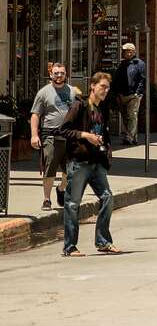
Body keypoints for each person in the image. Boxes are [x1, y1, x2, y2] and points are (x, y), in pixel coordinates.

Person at [59, 72, 120, 257]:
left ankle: (103, 242)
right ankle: (70, 247)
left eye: (107, 88)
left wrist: (106, 149)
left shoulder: (102, 110)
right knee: (72, 204)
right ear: (92, 86)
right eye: (102, 86)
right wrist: (85, 135)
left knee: (107, 198)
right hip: (80, 163)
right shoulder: (80, 105)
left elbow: (104, 133)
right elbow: (64, 130)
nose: (105, 90)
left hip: (97, 163)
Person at [30, 62, 74, 211]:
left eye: (62, 73)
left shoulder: (73, 92)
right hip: (50, 136)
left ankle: (61, 189)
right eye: (56, 73)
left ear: (66, 74)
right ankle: (47, 199)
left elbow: (81, 114)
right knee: (50, 168)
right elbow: (35, 115)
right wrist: (34, 135)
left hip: (70, 136)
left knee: (71, 170)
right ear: (51, 75)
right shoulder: (43, 93)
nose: (59, 75)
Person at [111, 42, 146, 145]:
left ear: (133, 52)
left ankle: (129, 137)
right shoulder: (122, 64)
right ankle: (133, 137)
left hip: (134, 95)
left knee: (132, 115)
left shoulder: (139, 64)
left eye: (128, 51)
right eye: (125, 51)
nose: (126, 53)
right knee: (126, 116)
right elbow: (117, 79)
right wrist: (116, 92)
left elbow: (142, 79)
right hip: (122, 94)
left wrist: (137, 93)